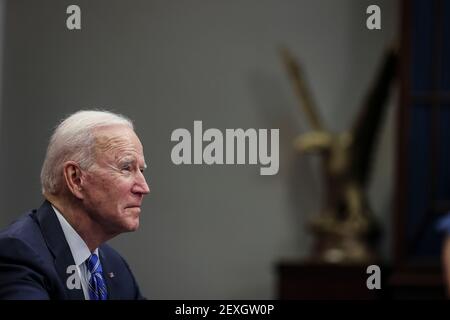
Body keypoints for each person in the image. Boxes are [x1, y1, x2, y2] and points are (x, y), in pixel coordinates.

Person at [0, 110, 150, 299]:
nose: (144, 188)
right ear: (76, 179)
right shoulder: (17, 255)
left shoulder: (114, 266)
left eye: (141, 170)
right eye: (126, 168)